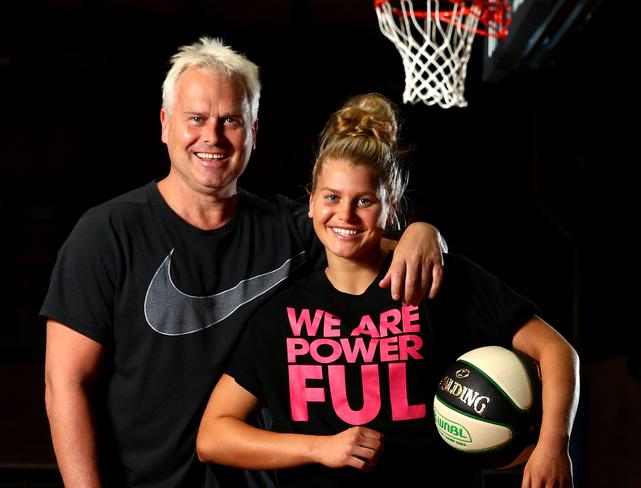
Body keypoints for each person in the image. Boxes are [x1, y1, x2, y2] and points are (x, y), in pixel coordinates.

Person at [40, 39, 447, 488]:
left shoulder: (289, 230)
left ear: (253, 130)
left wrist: (423, 232)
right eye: (196, 118)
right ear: (165, 125)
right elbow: (65, 386)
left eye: (230, 120)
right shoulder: (106, 234)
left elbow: (366, 236)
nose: (212, 136)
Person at [196, 93, 580, 488]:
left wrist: (553, 444)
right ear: (310, 203)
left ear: (390, 208)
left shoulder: (433, 281)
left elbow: (555, 351)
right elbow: (214, 435)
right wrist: (319, 448)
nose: (344, 215)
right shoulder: (281, 317)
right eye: (331, 197)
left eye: (364, 201)